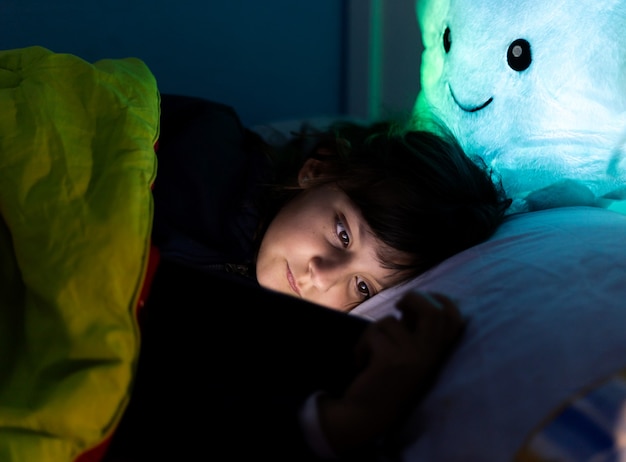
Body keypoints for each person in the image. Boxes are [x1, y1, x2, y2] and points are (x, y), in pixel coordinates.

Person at [102, 95, 511, 461]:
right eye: (343, 232)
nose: (323, 274)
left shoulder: (286, 352)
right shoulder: (200, 145)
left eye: (363, 287)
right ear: (317, 169)